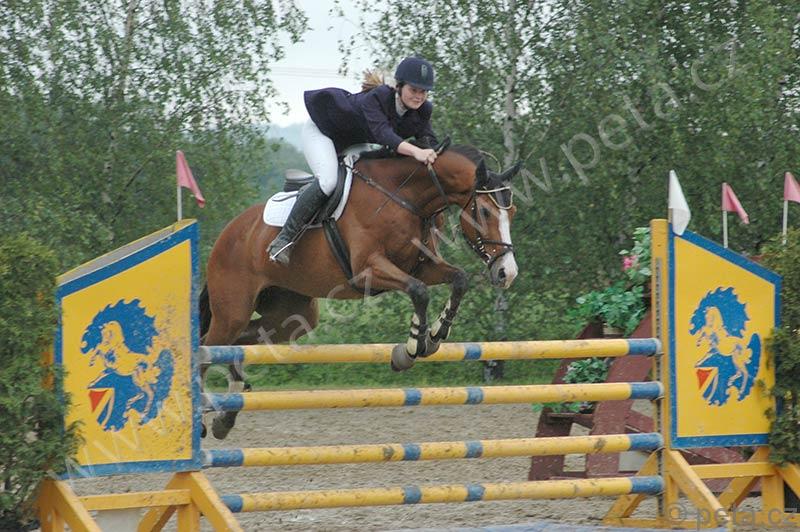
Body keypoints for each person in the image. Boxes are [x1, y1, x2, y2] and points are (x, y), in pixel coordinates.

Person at [267, 56, 440, 265]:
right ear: (400, 86)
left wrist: (435, 154)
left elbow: (428, 141)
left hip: (353, 142)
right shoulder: (378, 97)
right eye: (414, 90)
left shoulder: (423, 111)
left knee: (369, 180)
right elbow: (384, 134)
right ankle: (284, 239)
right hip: (323, 132)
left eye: (423, 92)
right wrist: (416, 151)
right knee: (328, 181)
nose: (419, 96)